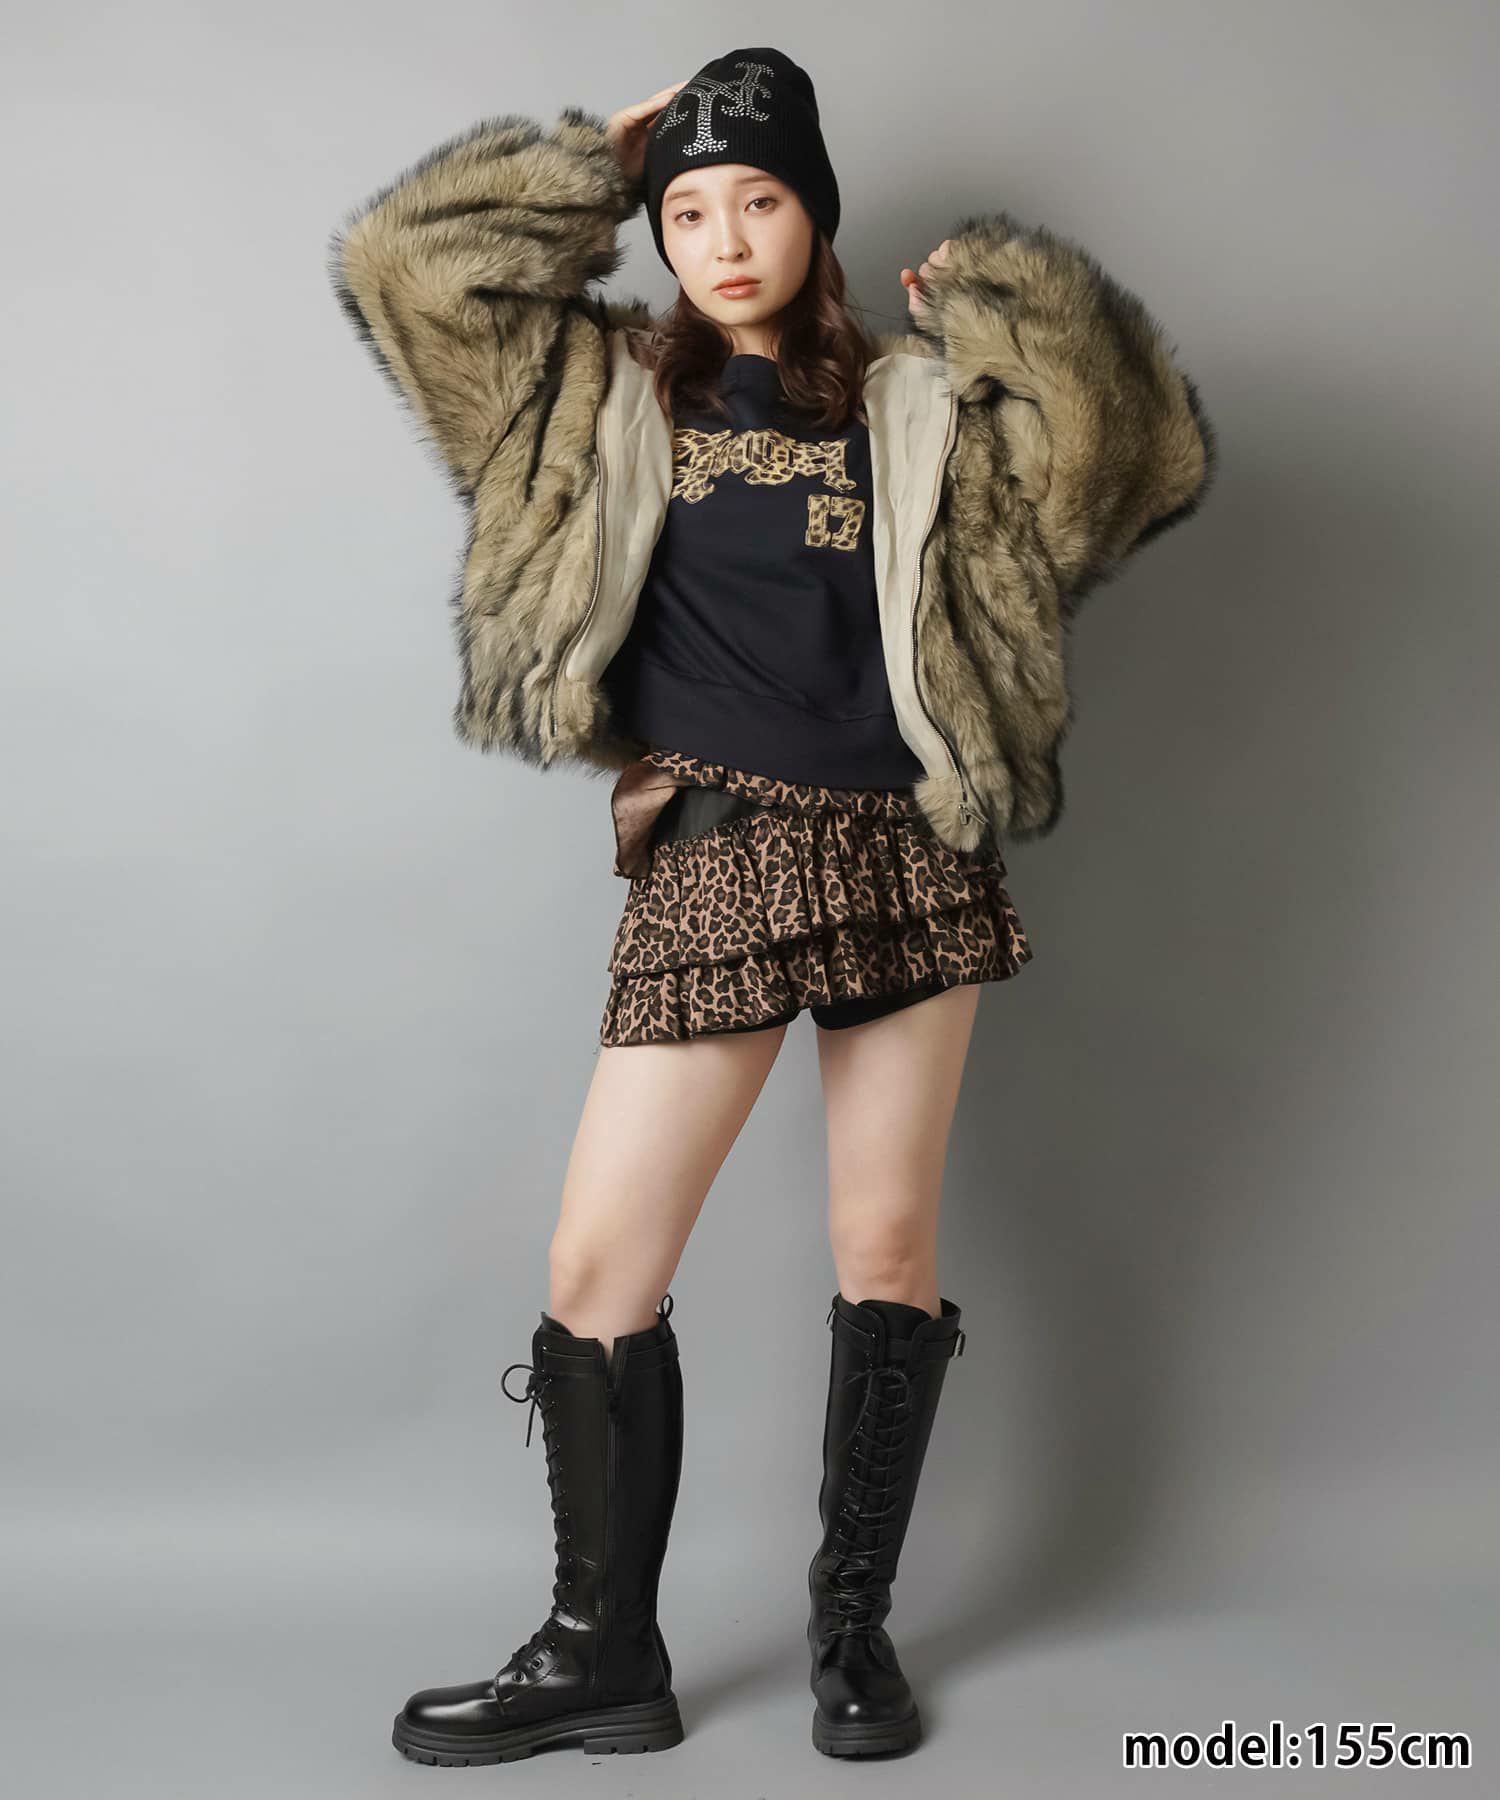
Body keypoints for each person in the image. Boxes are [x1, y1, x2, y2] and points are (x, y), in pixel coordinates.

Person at [327, 46, 1217, 1766]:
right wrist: (591, 166)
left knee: (886, 1249)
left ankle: (852, 1637)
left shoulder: (921, 404)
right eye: (689, 211)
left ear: (814, 212)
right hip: (720, 848)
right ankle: (603, 1651)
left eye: (759, 199)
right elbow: (406, 275)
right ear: (658, 231)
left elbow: (1136, 464)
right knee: (599, 1265)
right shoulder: (589, 395)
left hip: (904, 848)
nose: (725, 239)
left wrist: (1010, 312)